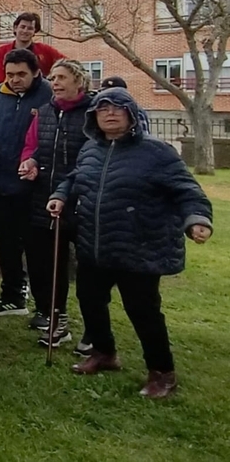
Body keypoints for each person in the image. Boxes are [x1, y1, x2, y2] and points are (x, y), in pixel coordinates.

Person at [48, 87, 212, 399]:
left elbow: (187, 191)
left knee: (143, 311)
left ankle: (162, 372)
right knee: (90, 300)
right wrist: (60, 195)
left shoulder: (157, 152)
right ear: (94, 116)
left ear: (132, 114)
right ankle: (104, 353)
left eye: (117, 107)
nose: (109, 113)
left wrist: (197, 220)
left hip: (140, 246)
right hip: (95, 244)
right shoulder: (90, 149)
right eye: (102, 108)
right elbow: (75, 178)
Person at [19, 60, 93, 348]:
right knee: (51, 268)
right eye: (53, 78)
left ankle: (94, 331)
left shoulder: (93, 113)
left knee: (89, 274)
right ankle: (57, 321)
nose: (55, 83)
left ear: (79, 81)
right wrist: (31, 162)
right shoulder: (46, 112)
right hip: (45, 200)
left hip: (82, 202)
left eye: (62, 77)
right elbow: (37, 147)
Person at [0, 48, 51, 317]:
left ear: (36, 73)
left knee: (36, 247)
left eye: (21, 74)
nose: (15, 80)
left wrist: (36, 161)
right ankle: (12, 296)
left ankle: (46, 308)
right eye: (10, 74)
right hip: (1, 180)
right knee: (7, 242)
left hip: (35, 185)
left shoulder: (49, 95)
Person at [0, 12, 65, 85]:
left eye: (30, 28)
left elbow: (67, 64)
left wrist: (53, 78)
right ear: (15, 28)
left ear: (35, 31)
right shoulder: (2, 52)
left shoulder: (45, 50)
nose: (25, 31)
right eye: (22, 27)